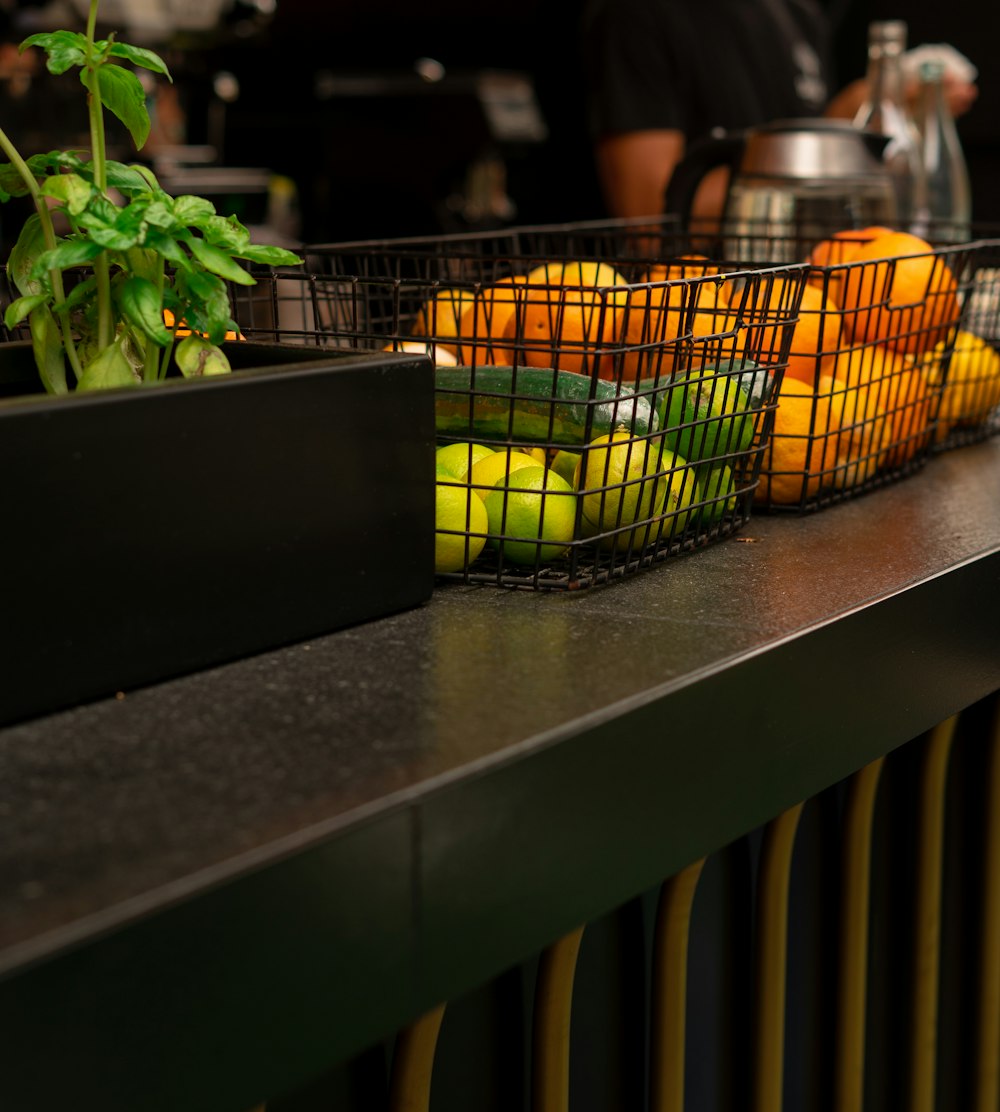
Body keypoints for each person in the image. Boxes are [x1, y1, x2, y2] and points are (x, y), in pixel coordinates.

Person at [580, 0, 977, 224]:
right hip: (691, 323)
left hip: (806, 310)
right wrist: (816, 162)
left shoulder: (798, 14)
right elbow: (649, 215)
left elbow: (794, 147)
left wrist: (862, 111)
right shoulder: (635, 14)